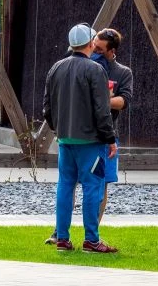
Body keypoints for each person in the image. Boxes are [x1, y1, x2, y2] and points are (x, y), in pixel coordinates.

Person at [43, 23, 118, 253]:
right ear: (90, 43)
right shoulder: (95, 70)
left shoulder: (56, 68)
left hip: (65, 140)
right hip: (90, 141)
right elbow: (102, 109)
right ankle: (91, 240)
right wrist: (110, 138)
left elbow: (47, 107)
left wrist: (59, 129)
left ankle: (62, 239)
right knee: (92, 188)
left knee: (65, 186)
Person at [92, 27, 133, 223]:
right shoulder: (86, 66)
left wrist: (100, 100)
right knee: (71, 182)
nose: (94, 52)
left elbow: (124, 102)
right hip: (83, 132)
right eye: (93, 47)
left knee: (103, 183)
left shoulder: (123, 72)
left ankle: (94, 232)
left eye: (99, 50)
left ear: (112, 51)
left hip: (108, 135)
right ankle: (60, 233)